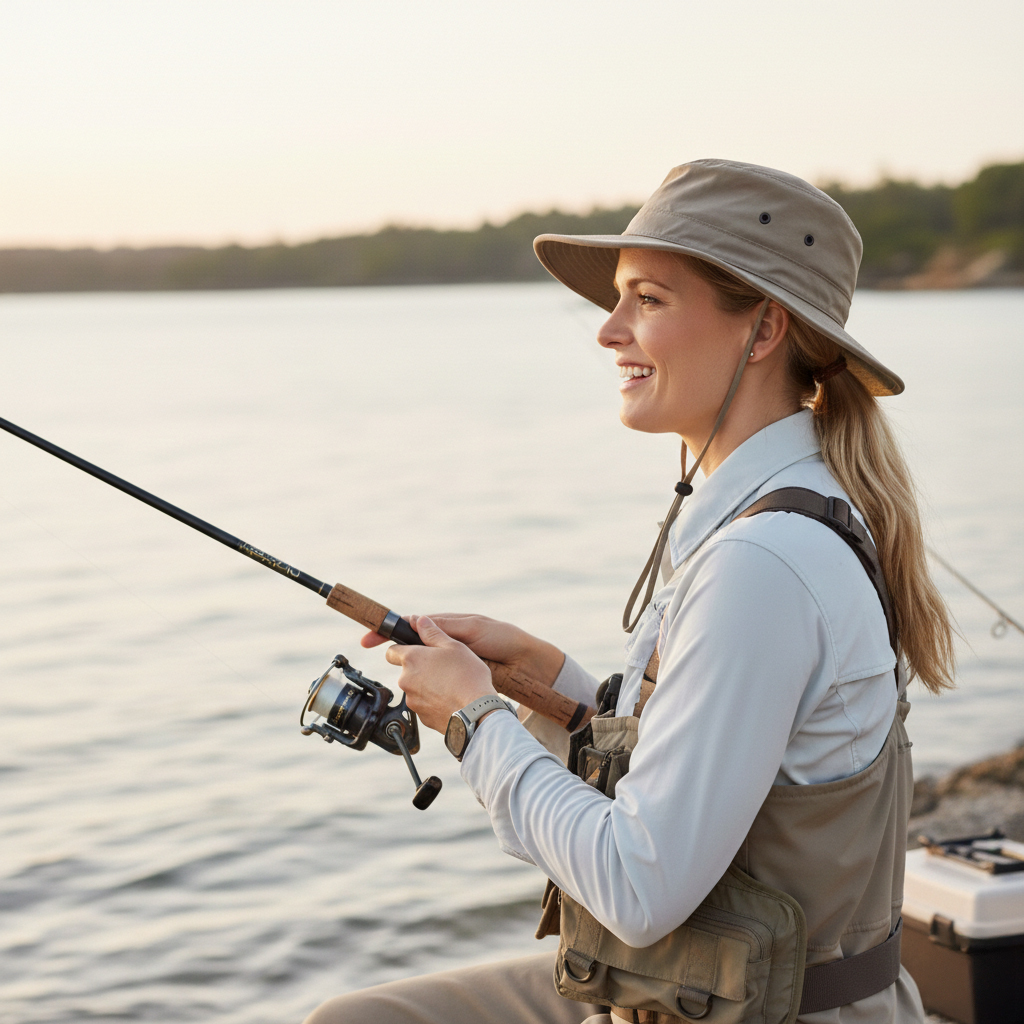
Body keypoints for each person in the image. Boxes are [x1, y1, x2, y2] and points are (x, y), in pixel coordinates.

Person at [303, 159, 955, 1024]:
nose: (608, 332)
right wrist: (548, 684)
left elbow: (640, 885)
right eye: (618, 300)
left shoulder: (762, 566)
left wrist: (472, 721)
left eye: (646, 299)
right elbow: (710, 761)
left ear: (762, 331)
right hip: (694, 989)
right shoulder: (766, 526)